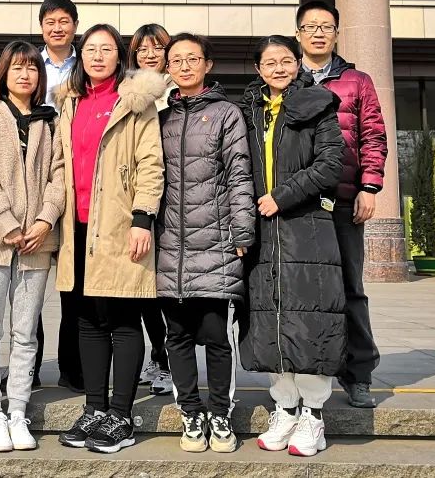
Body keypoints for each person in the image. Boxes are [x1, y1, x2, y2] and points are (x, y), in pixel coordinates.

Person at [54, 23, 165, 454]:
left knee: (122, 318)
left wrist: (142, 218)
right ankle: (94, 408)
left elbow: (151, 164)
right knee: (87, 320)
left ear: (120, 56)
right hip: (77, 228)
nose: (97, 56)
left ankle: (121, 415)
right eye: (90, 49)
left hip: (120, 224)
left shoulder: (135, 101)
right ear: (80, 56)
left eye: (106, 49)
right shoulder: (70, 102)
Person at [238, 35, 344, 458]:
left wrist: (282, 196)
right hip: (260, 230)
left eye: (286, 60)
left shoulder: (318, 104)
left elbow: (331, 164)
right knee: (268, 318)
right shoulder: (248, 110)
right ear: (258, 69)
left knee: (310, 317)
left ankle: (313, 415)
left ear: (298, 63)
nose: (278, 68)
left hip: (306, 225)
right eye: (270, 63)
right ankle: (284, 407)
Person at [156, 33, 256, 454]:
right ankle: (191, 414)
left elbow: (239, 174)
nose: (184, 65)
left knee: (216, 335)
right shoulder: (160, 117)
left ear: (207, 65)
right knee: (177, 336)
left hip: (215, 242)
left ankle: (220, 413)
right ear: (167, 68)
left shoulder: (226, 113)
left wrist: (242, 230)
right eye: (176, 59)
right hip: (169, 245)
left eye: (192, 58)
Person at [0, 41, 65, 452]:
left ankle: (19, 411)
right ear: (4, 73)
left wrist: (44, 221)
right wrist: (8, 224)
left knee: (25, 334)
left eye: (32, 68)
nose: (25, 75)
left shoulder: (51, 120)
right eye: (17, 68)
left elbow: (60, 176)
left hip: (37, 243)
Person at [295, 0, 388, 409]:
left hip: (345, 200)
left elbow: (374, 136)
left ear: (336, 33)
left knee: (350, 288)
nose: (318, 32)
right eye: (310, 26)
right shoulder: (287, 77)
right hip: (298, 204)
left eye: (326, 26)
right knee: (302, 290)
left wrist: (369, 186)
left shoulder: (357, 81)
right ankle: (306, 371)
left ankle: (357, 374)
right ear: (298, 34)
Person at [38, 0, 83, 392]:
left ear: (74, 26)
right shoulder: (29, 66)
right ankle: (28, 367)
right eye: (50, 21)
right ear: (41, 27)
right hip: (36, 179)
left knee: (74, 286)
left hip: (77, 178)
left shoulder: (87, 65)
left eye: (64, 21)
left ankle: (73, 366)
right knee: (29, 286)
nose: (57, 27)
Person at [129, 23, 174, 396]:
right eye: (142, 48)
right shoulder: (128, 92)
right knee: (143, 288)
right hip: (139, 199)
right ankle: (157, 354)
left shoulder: (176, 91)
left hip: (173, 199)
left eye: (157, 47)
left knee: (165, 290)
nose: (149, 54)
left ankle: (167, 359)